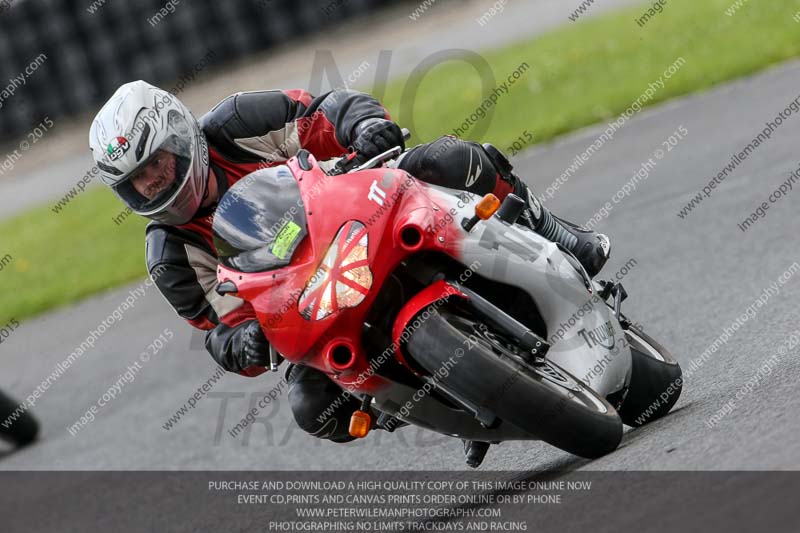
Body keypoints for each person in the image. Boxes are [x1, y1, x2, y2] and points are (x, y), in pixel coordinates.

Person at [89, 80, 609, 466]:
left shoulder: (238, 123)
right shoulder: (170, 254)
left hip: (360, 216)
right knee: (311, 406)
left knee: (452, 158)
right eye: (138, 182)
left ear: (181, 137)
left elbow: (325, 108)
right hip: (309, 302)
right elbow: (217, 328)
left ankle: (555, 233)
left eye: (156, 163)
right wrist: (242, 342)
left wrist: (363, 127)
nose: (154, 184)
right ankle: (446, 402)